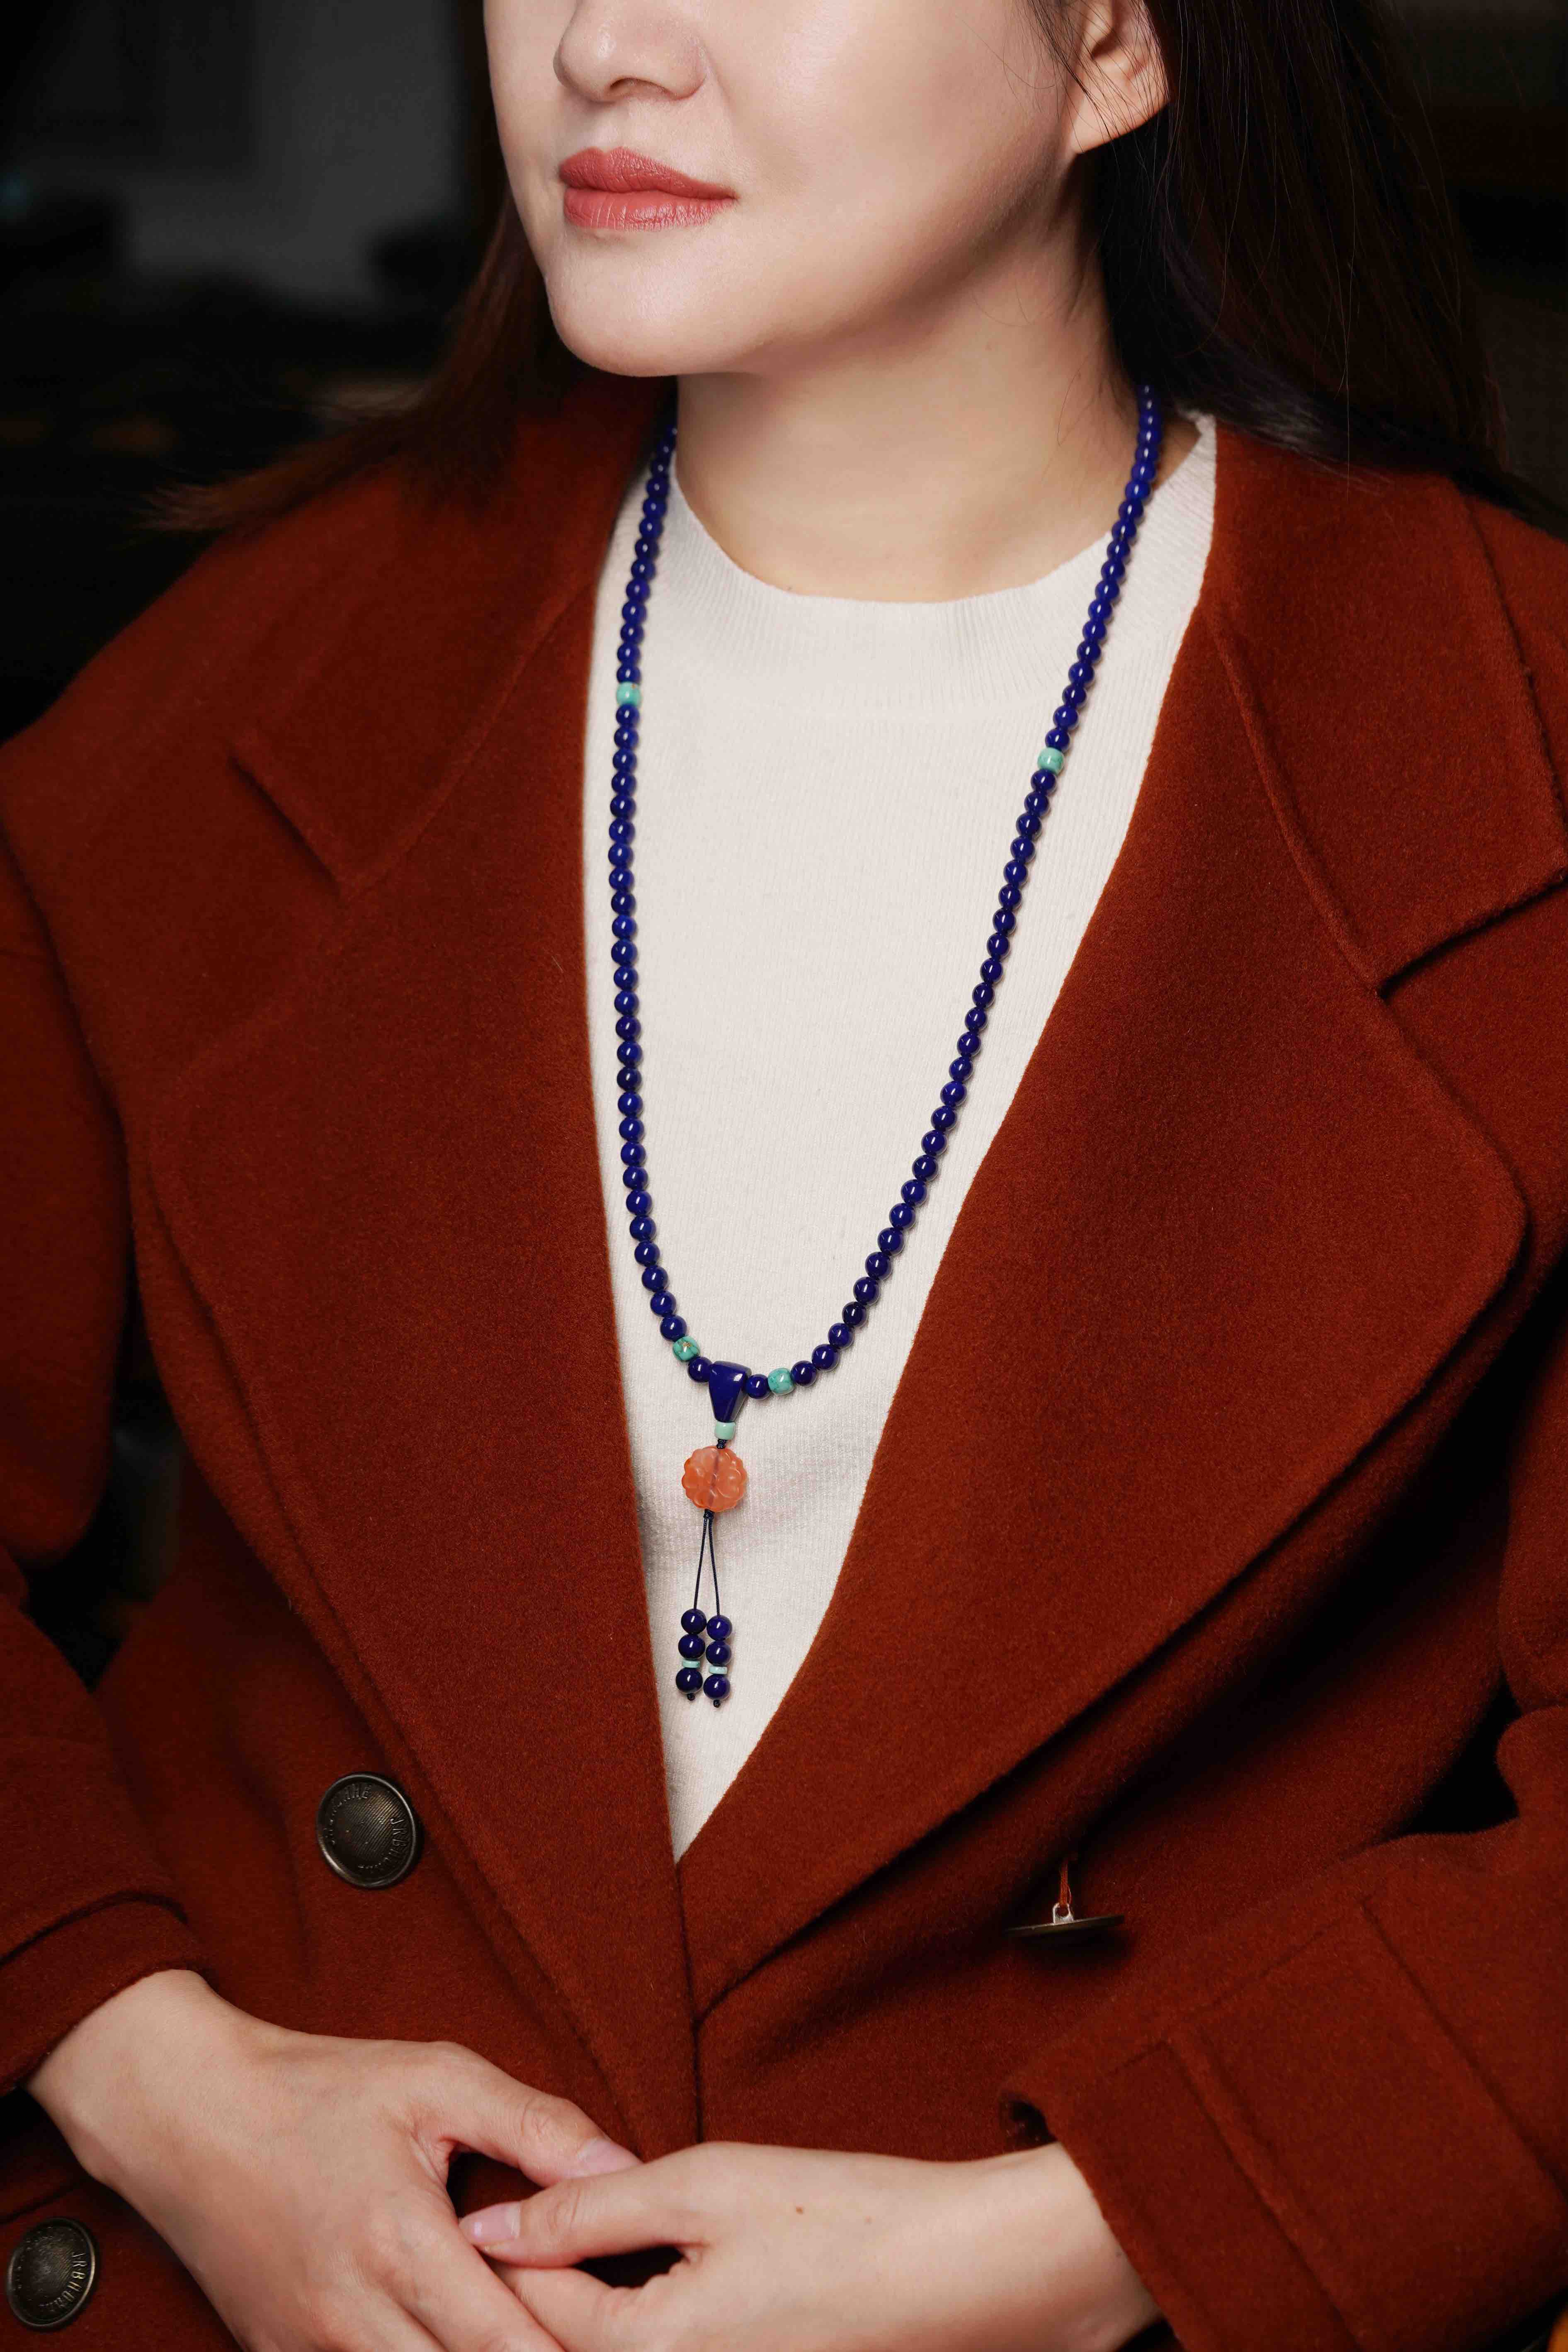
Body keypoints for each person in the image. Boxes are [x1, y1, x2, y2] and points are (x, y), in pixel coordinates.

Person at [2, 0, 1566, 2345]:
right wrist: (152, 2071)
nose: (606, 48)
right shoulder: (259, 678)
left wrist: (1089, 2240)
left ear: (1115, 43)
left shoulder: (1500, 747)